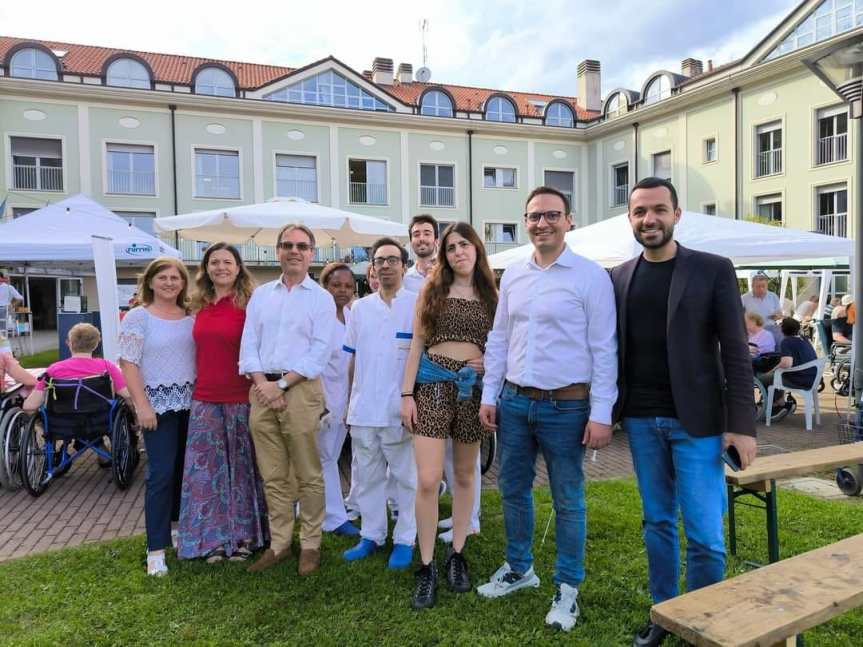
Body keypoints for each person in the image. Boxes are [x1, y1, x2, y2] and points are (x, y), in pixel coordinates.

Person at [609, 177, 757, 647]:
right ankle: (666, 615)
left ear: (676, 214)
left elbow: (736, 351)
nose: (648, 219)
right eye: (639, 212)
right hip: (639, 419)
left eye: (658, 210)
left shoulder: (712, 269)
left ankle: (704, 621)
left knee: (705, 534)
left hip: (698, 423)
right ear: (630, 219)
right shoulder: (617, 277)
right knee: (656, 522)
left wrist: (742, 426)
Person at [476, 186, 617, 632]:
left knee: (568, 499)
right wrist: (488, 394)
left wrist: (602, 412)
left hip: (567, 407)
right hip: (515, 402)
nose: (542, 223)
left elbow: (604, 348)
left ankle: (567, 588)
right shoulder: (513, 274)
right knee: (513, 490)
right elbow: (499, 339)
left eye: (551, 215)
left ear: (568, 220)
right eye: (534, 216)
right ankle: (520, 569)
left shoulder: (591, 276)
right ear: (526, 221)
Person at [400, 222, 497, 609]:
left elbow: (503, 344)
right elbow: (417, 344)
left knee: (463, 475)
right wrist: (407, 394)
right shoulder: (431, 290)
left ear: (477, 249)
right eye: (452, 247)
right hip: (433, 386)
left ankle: (457, 553)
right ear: (444, 253)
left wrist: (488, 362)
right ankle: (426, 566)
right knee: (426, 479)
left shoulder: (492, 295)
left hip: (471, 392)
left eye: (465, 245)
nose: (459, 252)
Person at [239, 224, 335, 577]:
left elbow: (319, 352)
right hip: (261, 388)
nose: (294, 251)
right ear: (277, 251)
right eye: (287, 245)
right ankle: (279, 543)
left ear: (311, 253)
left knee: (309, 473)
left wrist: (280, 386)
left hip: (300, 388)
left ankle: (310, 543)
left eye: (301, 246)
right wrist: (264, 384)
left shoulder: (321, 298)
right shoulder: (261, 295)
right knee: (273, 474)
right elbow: (249, 344)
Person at [176, 243, 267, 563]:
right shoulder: (195, 305)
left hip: (241, 398)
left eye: (228, 262)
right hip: (204, 398)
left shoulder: (251, 304)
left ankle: (243, 536)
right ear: (206, 268)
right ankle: (209, 539)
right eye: (214, 262)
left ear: (239, 267)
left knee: (242, 471)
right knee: (206, 474)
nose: (221, 267)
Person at [342, 237, 418, 570]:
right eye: (379, 260)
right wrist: (348, 404)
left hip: (399, 410)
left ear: (404, 265)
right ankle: (372, 535)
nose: (385, 265)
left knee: (405, 478)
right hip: (364, 409)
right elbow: (352, 360)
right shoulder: (359, 308)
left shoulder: (417, 305)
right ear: (372, 268)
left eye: (392, 259)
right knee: (368, 477)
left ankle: (405, 539)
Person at [119, 257, 195, 577]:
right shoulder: (139, 317)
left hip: (193, 403)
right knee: (161, 475)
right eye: (162, 277)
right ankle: (155, 548)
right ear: (150, 282)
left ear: (183, 283)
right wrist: (142, 405)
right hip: (158, 407)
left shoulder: (192, 315)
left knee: (182, 473)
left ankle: (176, 530)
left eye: (175, 277)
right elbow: (128, 363)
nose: (169, 282)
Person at [318, 262, 360, 537]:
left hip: (345, 402)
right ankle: (332, 517)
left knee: (328, 458)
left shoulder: (350, 316)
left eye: (348, 286)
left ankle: (324, 510)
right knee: (324, 459)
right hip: (321, 402)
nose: (342, 291)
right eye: (336, 285)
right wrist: (318, 403)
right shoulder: (319, 318)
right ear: (325, 287)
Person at [23, 323, 129, 412]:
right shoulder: (107, 366)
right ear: (96, 344)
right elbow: (126, 393)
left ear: (70, 343)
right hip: (100, 421)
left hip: (62, 422)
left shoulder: (54, 369)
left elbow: (30, 405)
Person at [741, 272, 782, 344]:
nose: (761, 289)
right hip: (753, 332)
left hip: (770, 330)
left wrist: (777, 316)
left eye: (764, 286)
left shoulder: (773, 296)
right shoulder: (744, 298)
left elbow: (779, 313)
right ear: (752, 286)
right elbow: (739, 316)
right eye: (758, 286)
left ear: (767, 286)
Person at [403, 214, 438, 292]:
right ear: (411, 242)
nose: (421, 238)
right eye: (416, 235)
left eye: (427, 234)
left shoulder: (450, 274)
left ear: (436, 241)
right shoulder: (405, 280)